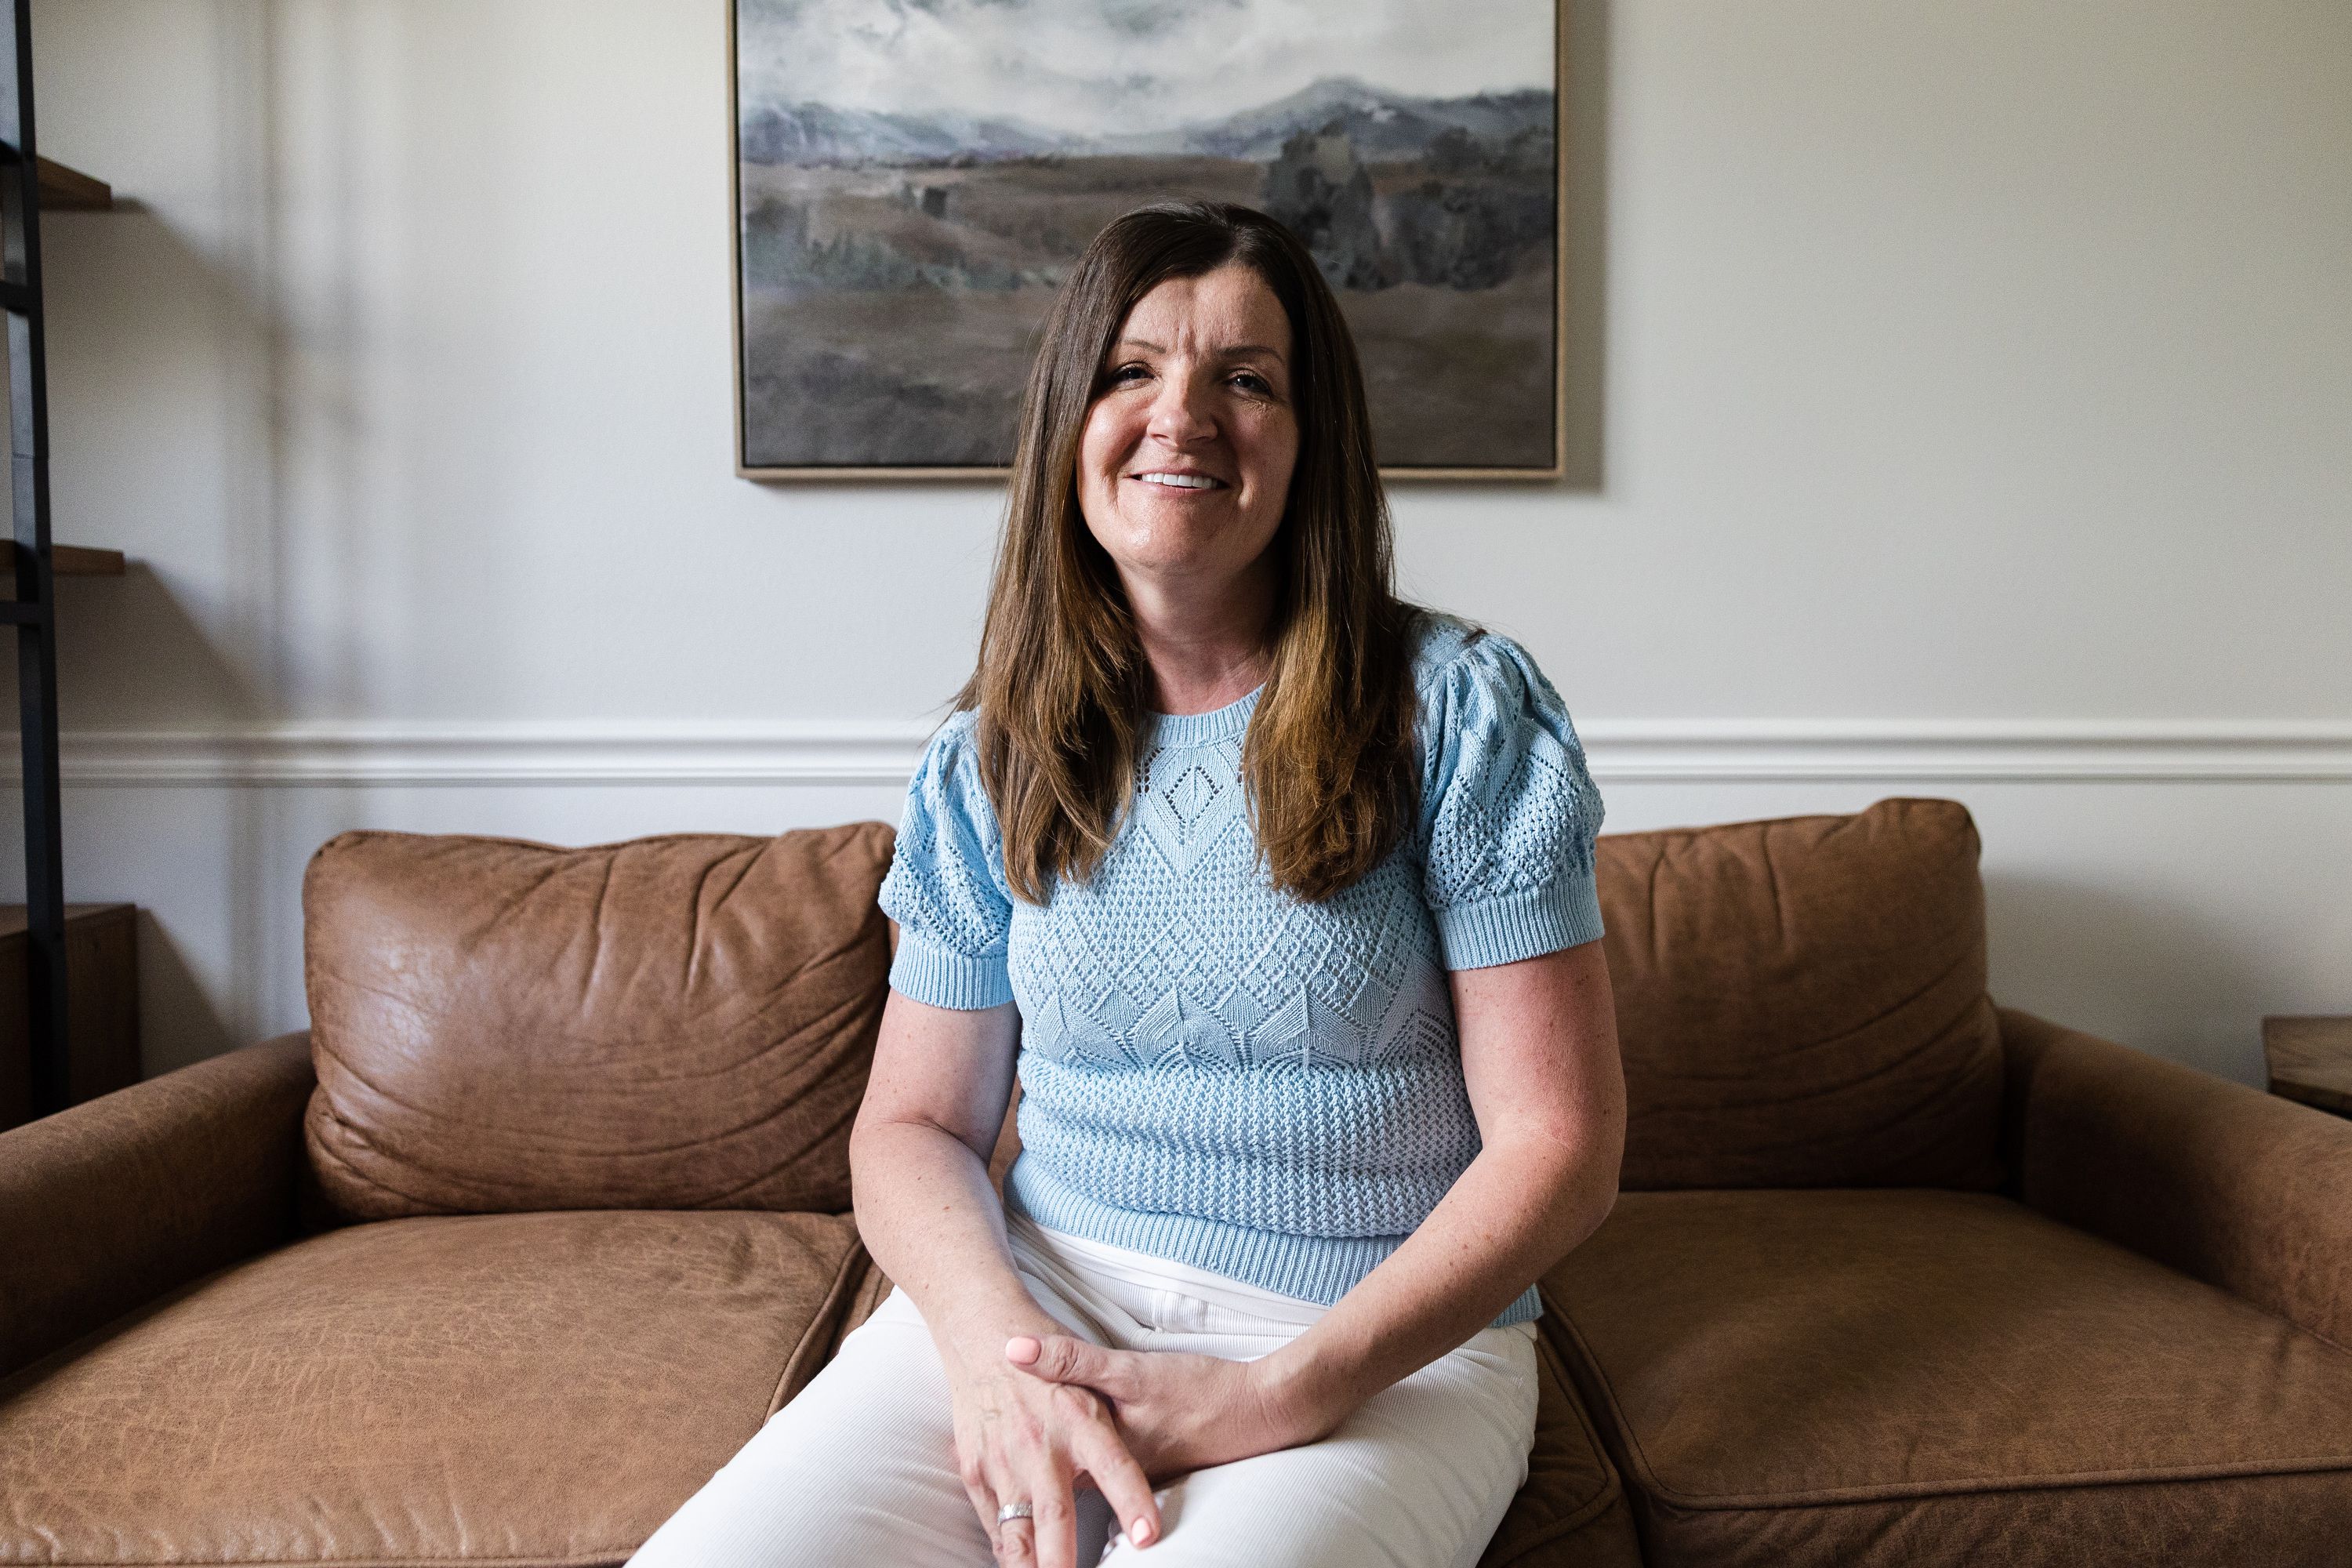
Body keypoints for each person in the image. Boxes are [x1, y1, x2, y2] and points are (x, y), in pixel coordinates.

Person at [627, 199, 1624, 1568]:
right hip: (1039, 1309)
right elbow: (914, 1125)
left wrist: (1280, 1392)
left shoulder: (1458, 713)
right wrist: (990, 1359)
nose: (1184, 417)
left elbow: (1558, 1148)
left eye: (1247, 379)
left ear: (1310, 436)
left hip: (1366, 1354)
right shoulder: (988, 754)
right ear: (1070, 422)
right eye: (1132, 368)